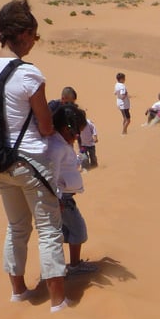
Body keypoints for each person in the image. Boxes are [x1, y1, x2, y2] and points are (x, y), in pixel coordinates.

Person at [0, 0, 69, 313]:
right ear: (21, 33)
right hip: (31, 161)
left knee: (17, 226)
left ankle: (18, 291)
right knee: (49, 229)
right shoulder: (29, 73)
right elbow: (46, 127)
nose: (35, 41)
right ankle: (58, 300)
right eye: (34, 34)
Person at [47, 104, 97, 275]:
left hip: (65, 198)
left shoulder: (62, 144)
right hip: (63, 200)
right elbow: (51, 176)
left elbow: (66, 165)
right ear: (64, 127)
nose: (76, 136)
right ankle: (73, 266)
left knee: (68, 231)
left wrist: (78, 160)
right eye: (74, 132)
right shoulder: (57, 147)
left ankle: (70, 265)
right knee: (78, 230)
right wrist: (58, 197)